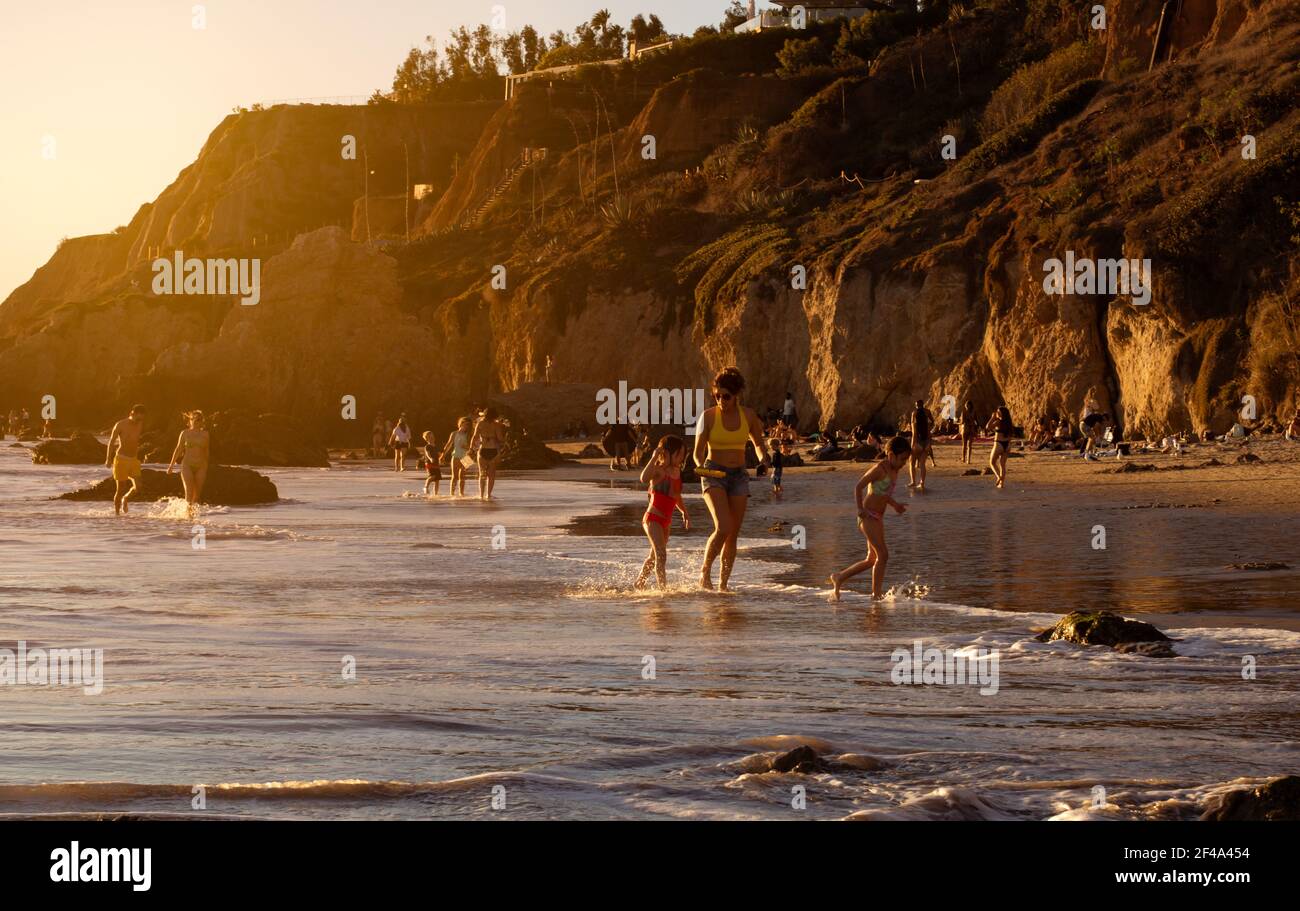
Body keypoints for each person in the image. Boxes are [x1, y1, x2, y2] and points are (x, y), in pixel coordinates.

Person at [692, 367, 771, 591]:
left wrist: (763, 460)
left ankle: (723, 586)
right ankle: (705, 572)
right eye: (717, 396)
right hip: (713, 474)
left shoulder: (748, 415)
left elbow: (758, 444)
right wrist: (702, 469)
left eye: (725, 396)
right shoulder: (708, 416)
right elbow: (697, 452)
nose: (721, 401)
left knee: (733, 534)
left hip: (738, 476)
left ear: (736, 395)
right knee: (723, 526)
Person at [828, 436, 911, 601]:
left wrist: (895, 505)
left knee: (872, 559)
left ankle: (839, 577)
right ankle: (876, 595)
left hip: (878, 517)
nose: (904, 463)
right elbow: (859, 487)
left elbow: (883, 493)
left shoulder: (894, 471)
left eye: (906, 459)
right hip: (867, 516)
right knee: (883, 555)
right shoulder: (879, 469)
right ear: (891, 455)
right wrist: (860, 509)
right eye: (902, 459)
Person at [634, 435, 690, 590]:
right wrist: (654, 457)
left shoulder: (677, 472)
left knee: (654, 556)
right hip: (653, 518)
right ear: (666, 453)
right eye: (679, 454)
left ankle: (640, 582)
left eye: (683, 455)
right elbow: (643, 478)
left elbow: (676, 495)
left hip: (666, 521)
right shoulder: (658, 470)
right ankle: (663, 589)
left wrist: (684, 512)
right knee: (661, 554)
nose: (682, 458)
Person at [166, 410, 210, 517]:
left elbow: (207, 451)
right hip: (187, 465)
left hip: (201, 466)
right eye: (195, 419)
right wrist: (171, 466)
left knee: (197, 495)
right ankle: (188, 517)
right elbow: (178, 449)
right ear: (190, 420)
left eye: (200, 420)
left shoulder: (205, 434)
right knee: (189, 492)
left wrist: (207, 466)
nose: (198, 422)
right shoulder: (185, 433)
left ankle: (191, 515)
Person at [106, 404, 146, 515]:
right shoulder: (120, 424)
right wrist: (108, 459)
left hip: (134, 460)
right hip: (121, 459)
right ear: (132, 413)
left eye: (141, 418)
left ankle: (126, 498)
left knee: (138, 487)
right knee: (120, 489)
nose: (139, 420)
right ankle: (117, 514)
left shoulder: (140, 424)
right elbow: (111, 442)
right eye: (138, 417)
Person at [471, 407, 507, 500]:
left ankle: (481, 495)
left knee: (482, 474)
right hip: (493, 450)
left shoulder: (480, 423)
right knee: (491, 475)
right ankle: (488, 495)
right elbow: (500, 439)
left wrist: (471, 448)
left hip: (482, 450)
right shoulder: (496, 425)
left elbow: (474, 437)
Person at [440, 417, 473, 496]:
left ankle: (461, 493)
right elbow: (448, 445)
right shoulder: (454, 433)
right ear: (461, 423)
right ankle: (452, 493)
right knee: (454, 476)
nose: (467, 426)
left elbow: (473, 448)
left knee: (462, 477)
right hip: (456, 456)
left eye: (468, 425)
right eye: (466, 424)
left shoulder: (469, 435)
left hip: (466, 457)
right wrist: (442, 455)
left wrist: (467, 447)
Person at [986, 405, 1013, 489]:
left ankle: (998, 477)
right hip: (1007, 445)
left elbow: (988, 427)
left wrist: (992, 418)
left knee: (992, 462)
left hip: (999, 444)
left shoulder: (998, 422)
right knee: (1002, 465)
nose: (996, 413)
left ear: (1001, 414)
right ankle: (1001, 484)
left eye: (998, 412)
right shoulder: (1009, 423)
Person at [908, 400, 931, 491]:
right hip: (926, 442)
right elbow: (931, 425)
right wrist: (929, 443)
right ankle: (922, 483)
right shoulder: (927, 419)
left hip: (918, 442)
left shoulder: (914, 417)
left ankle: (913, 481)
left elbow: (914, 434)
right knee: (922, 464)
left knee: (912, 462)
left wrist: (912, 446)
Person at [421, 431, 442, 496]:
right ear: (426, 439)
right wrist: (430, 458)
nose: (431, 438)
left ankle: (436, 494)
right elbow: (427, 454)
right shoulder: (427, 446)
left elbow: (439, 453)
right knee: (432, 476)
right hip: (429, 463)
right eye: (429, 437)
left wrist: (442, 458)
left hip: (436, 463)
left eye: (432, 436)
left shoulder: (436, 446)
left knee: (437, 479)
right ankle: (425, 487)